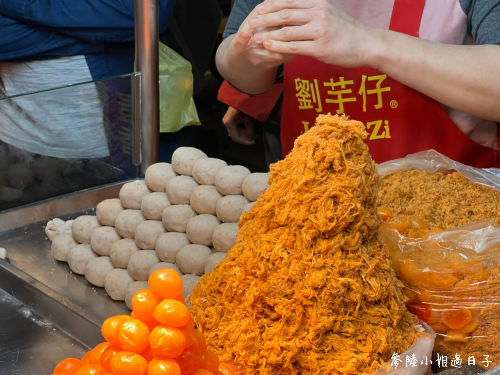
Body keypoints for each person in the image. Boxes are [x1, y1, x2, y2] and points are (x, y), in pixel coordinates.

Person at [218, 0, 500, 168]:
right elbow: (236, 66)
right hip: (315, 203)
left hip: (444, 215)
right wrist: (244, 56)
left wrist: (369, 42)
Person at [0, 0, 175, 209]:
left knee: (129, 227)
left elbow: (143, 14)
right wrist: (97, 38)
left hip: (115, 150)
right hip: (17, 148)